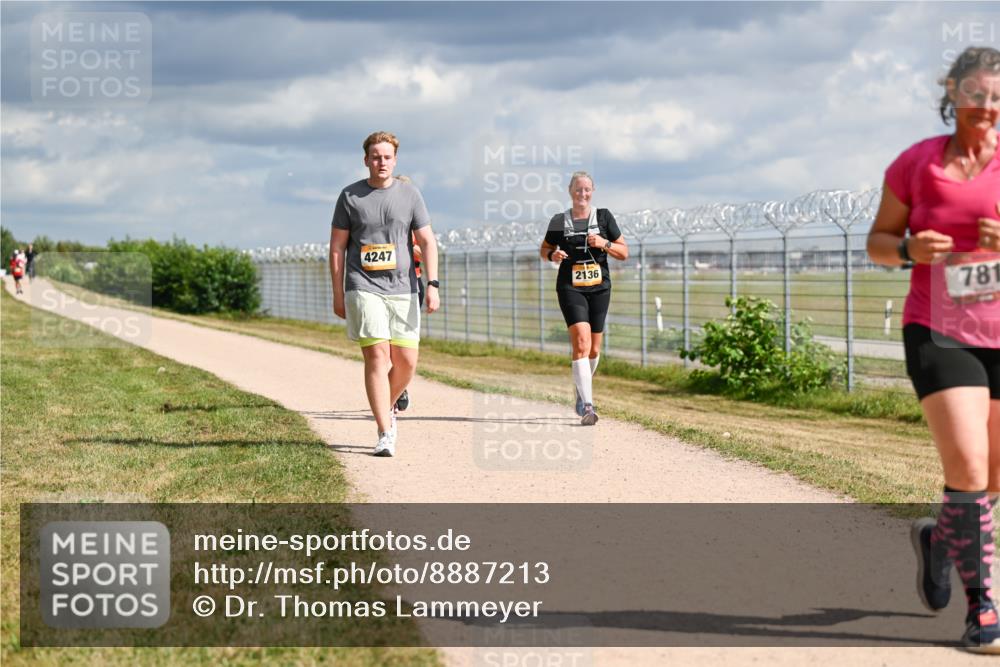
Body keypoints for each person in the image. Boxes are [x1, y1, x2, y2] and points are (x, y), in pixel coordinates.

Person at [866, 46, 1000, 653]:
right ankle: (985, 611)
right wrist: (908, 252)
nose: (987, 106)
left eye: (997, 96)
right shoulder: (917, 163)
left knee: (992, 478)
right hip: (939, 328)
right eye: (976, 94)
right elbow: (878, 241)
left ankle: (939, 538)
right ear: (953, 93)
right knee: (969, 467)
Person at [329, 132, 439, 457]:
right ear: (366, 160)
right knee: (378, 356)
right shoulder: (350, 196)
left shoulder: (410, 194)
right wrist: (338, 293)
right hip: (363, 285)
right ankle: (385, 431)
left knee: (406, 362)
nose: (381, 162)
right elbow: (337, 248)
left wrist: (432, 285)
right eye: (375, 156)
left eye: (387, 157)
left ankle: (386, 405)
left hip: (404, 287)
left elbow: (428, 242)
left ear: (395, 160)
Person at [539, 171, 628, 426]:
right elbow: (544, 249)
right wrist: (552, 256)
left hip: (600, 288)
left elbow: (624, 252)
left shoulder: (604, 217)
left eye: (587, 189)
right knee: (580, 341)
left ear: (593, 191)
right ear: (570, 191)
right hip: (570, 287)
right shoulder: (558, 221)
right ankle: (588, 405)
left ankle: (580, 388)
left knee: (594, 348)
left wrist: (604, 243)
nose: (583, 194)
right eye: (578, 189)